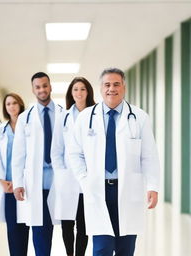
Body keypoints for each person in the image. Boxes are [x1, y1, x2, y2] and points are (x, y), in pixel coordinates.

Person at [68, 68, 160, 256]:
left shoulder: (139, 117)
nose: (112, 88)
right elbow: (74, 153)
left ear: (124, 87)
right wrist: (84, 180)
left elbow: (149, 155)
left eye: (116, 84)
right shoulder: (86, 118)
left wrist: (153, 186)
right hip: (97, 189)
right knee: (101, 248)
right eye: (107, 84)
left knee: (126, 249)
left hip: (128, 189)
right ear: (100, 88)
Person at [12, 72, 62, 256]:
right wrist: (17, 183)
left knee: (65, 229)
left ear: (50, 87)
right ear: (33, 90)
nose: (42, 90)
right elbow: (18, 154)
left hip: (58, 181)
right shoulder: (25, 118)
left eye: (45, 85)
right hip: (36, 182)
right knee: (40, 230)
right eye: (38, 87)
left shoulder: (62, 114)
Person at [50, 77, 95, 256]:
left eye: (82, 89)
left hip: (88, 177)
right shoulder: (63, 116)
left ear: (88, 92)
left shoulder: (95, 115)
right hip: (67, 178)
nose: (79, 93)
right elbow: (56, 149)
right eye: (75, 89)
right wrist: (61, 173)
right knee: (67, 223)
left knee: (84, 224)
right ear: (71, 93)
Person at [0, 93, 29, 256]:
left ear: (20, 104)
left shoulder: (28, 126)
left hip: (25, 184)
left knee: (25, 226)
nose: (11, 106)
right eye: (8, 104)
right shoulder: (0, 130)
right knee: (12, 227)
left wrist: (21, 180)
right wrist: (1, 180)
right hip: (7, 186)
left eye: (14, 103)